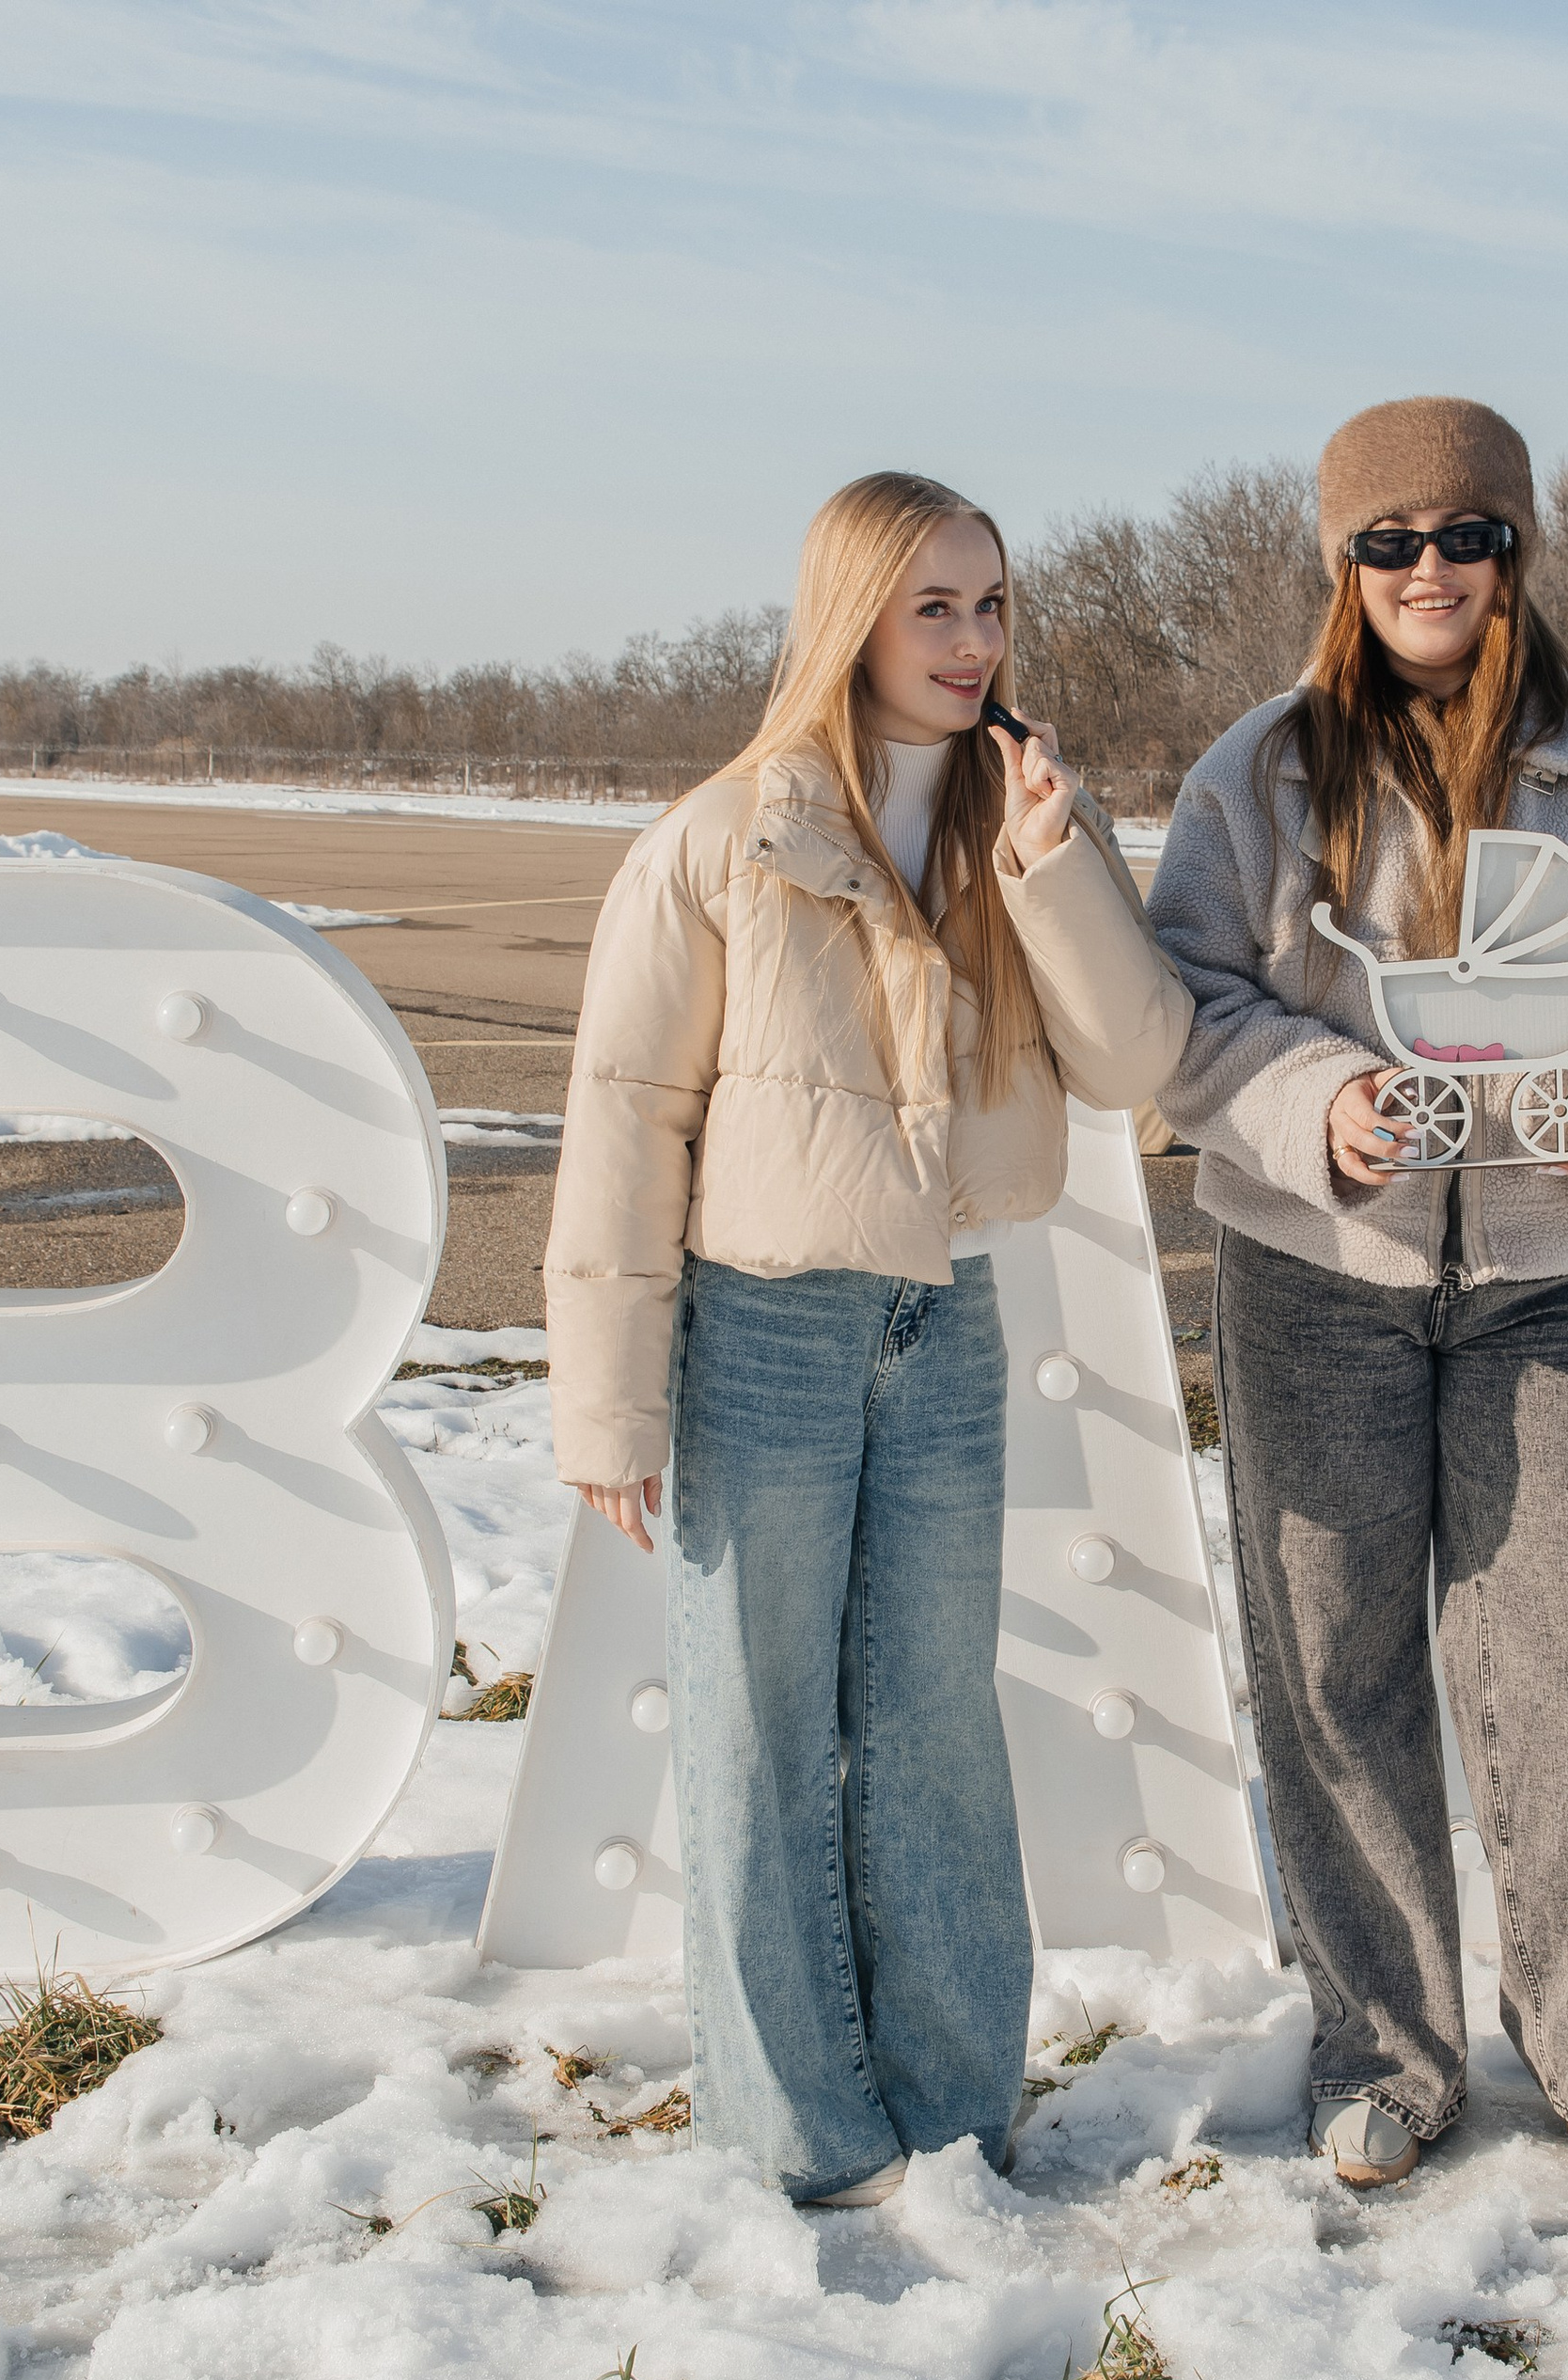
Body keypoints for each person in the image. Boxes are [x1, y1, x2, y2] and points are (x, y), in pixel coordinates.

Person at [544, 471, 1193, 2206]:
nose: (974, 643)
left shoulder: (1024, 823)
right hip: (765, 1327)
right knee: (757, 1724)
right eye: (935, 607)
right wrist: (608, 1407)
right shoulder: (723, 837)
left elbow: (1137, 1063)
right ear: (853, 618)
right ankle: (797, 2128)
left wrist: (1052, 861)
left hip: (947, 1318)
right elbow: (625, 1119)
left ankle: (956, 2107)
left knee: (934, 1721)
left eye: (993, 605)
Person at [1149, 398, 1568, 2188]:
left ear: (1516, 551)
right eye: (1391, 540)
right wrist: (1313, 1102)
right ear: (1343, 562)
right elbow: (1188, 1005)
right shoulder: (1261, 773)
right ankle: (1384, 2054)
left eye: (1468, 535)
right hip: (1312, 1275)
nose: (1431, 568)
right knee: (1333, 1671)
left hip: (1551, 1284)